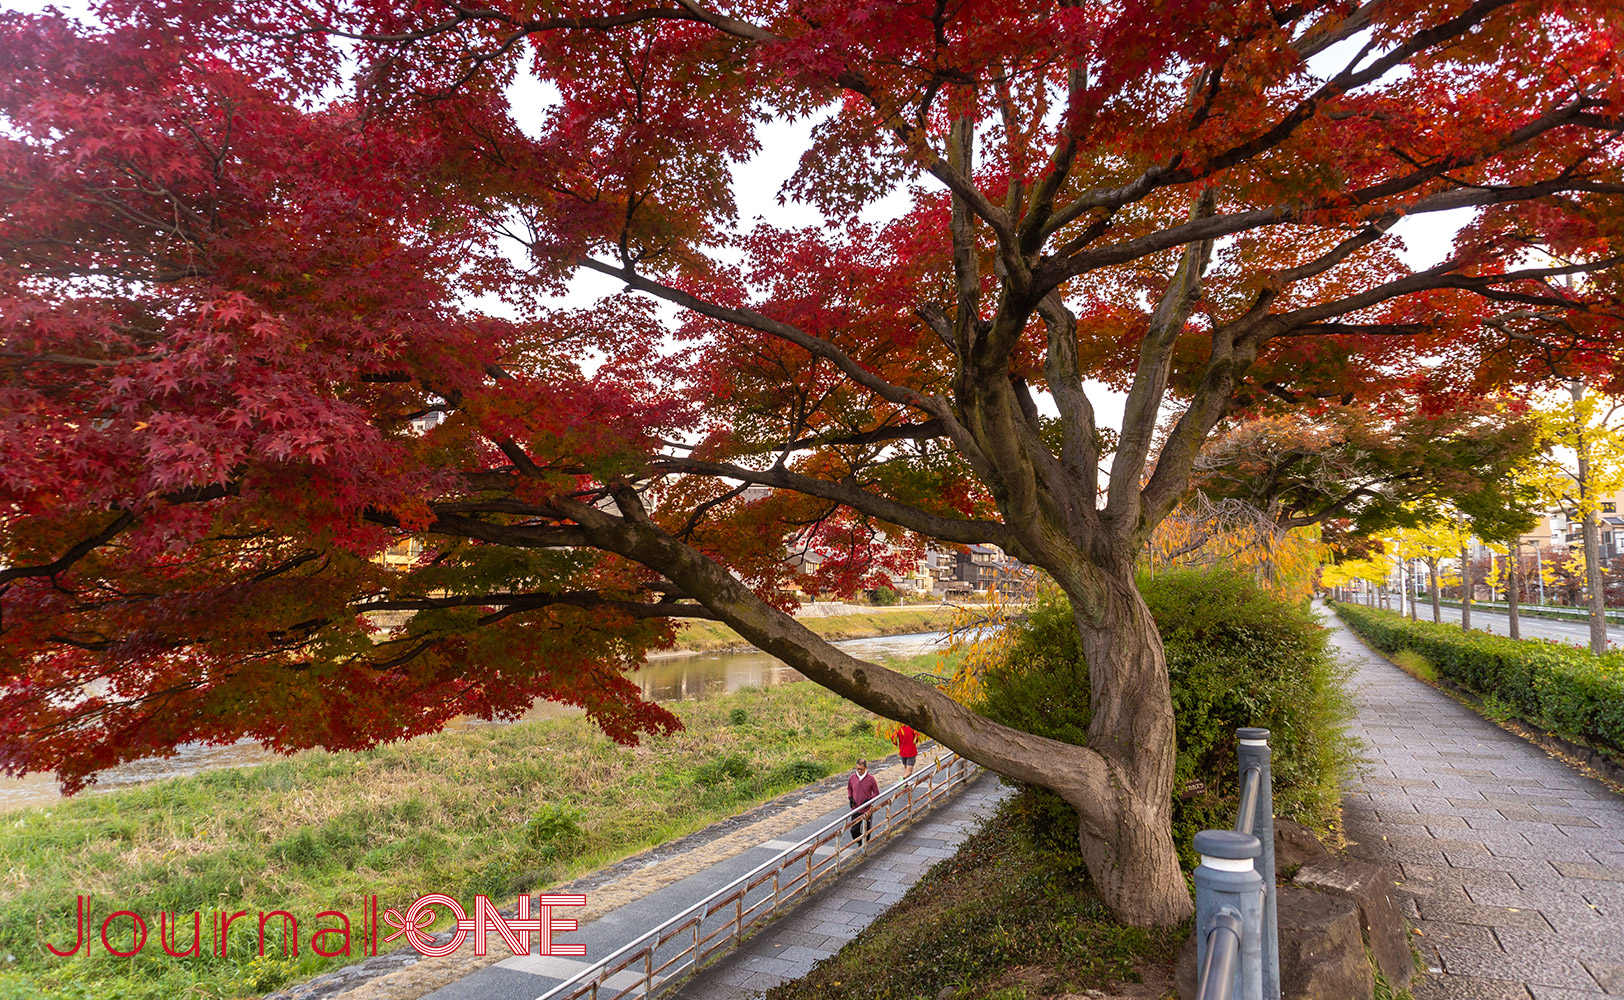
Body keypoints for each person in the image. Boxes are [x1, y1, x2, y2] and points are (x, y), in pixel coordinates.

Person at [846, 758, 879, 845]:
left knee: (867, 830)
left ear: (866, 768)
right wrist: (850, 797)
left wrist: (869, 799)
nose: (859, 771)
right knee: (854, 830)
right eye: (857, 769)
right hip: (855, 808)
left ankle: (865, 844)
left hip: (866, 809)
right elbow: (849, 788)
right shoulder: (852, 777)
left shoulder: (871, 779)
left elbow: (876, 792)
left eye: (861, 769)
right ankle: (860, 843)